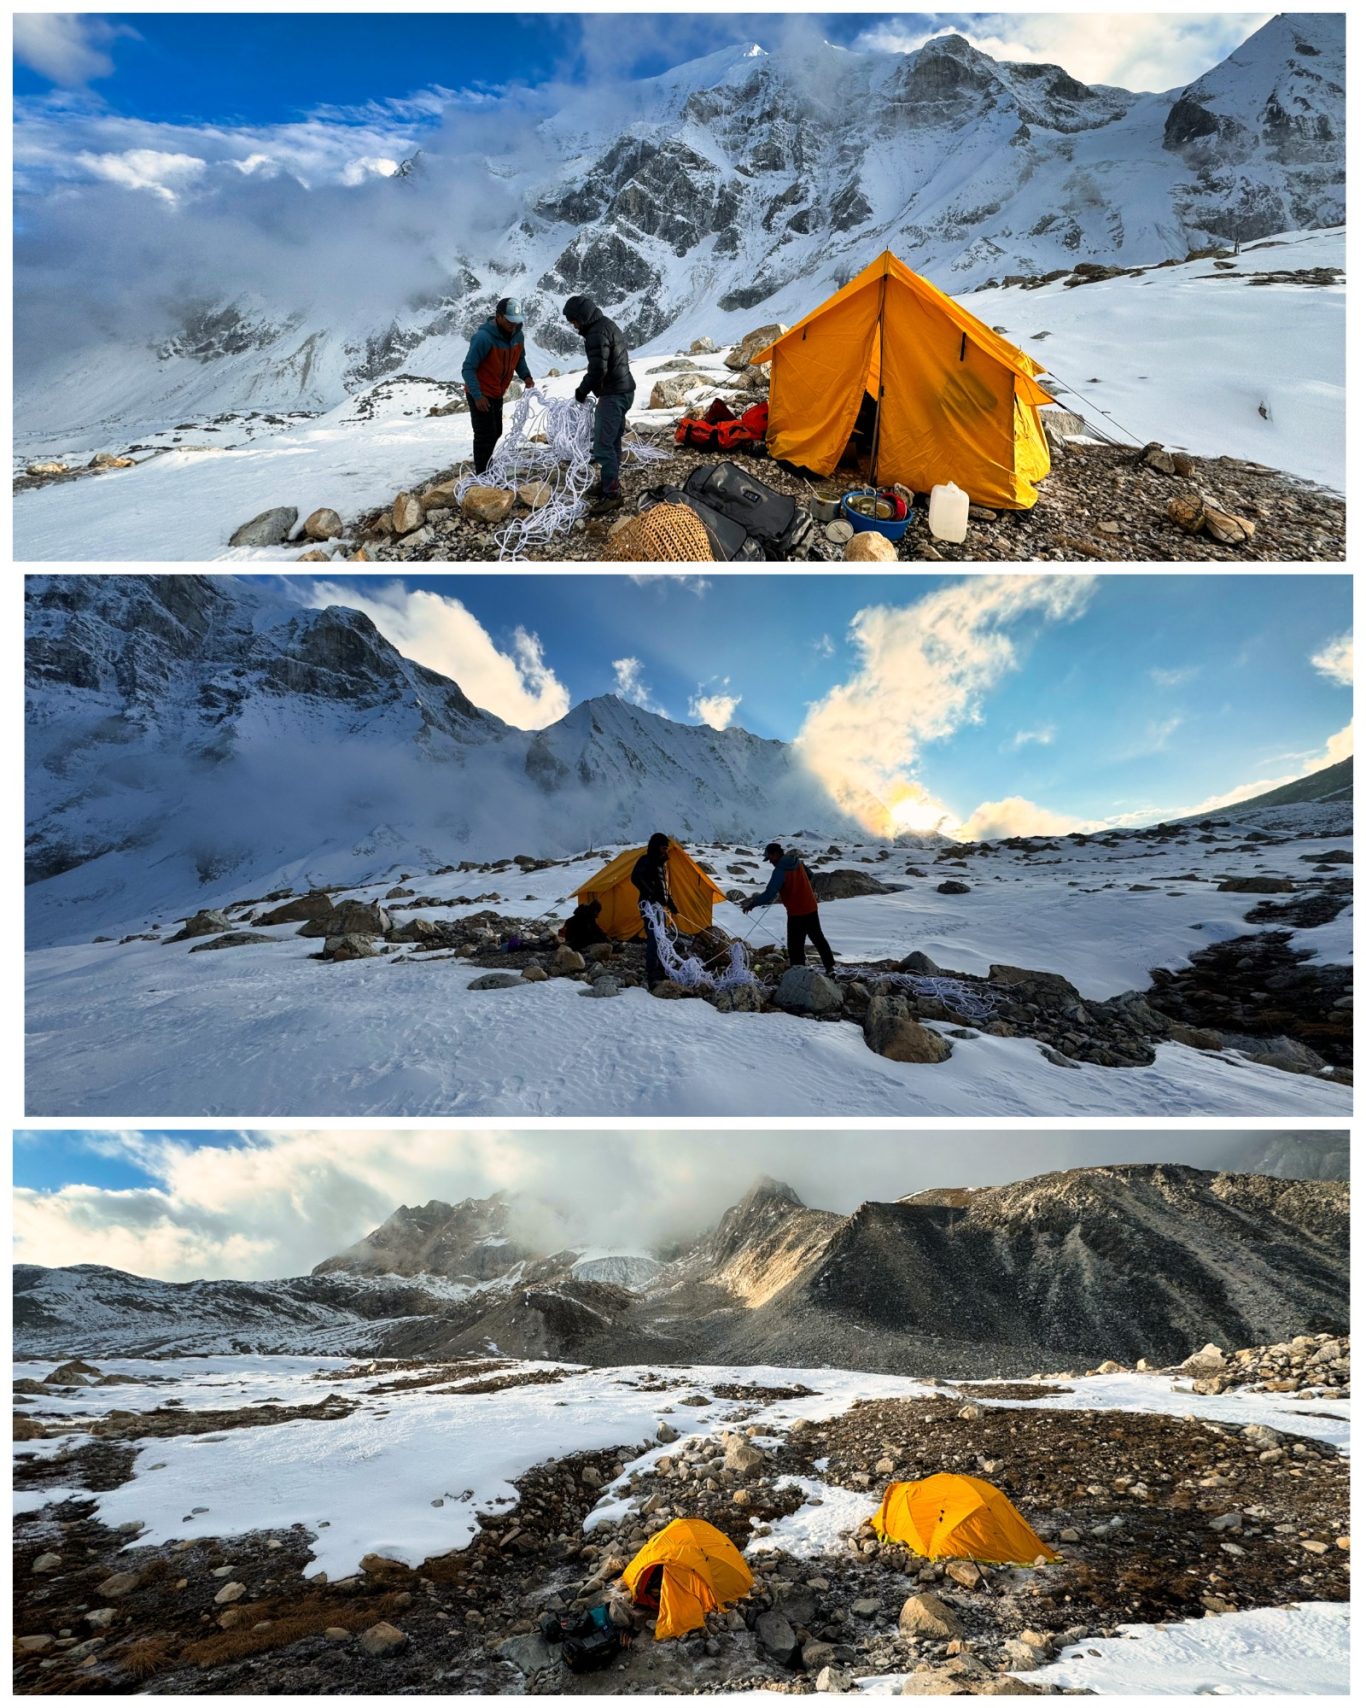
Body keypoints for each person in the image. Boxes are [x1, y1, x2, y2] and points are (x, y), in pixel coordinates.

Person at [563, 294, 635, 506]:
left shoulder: (596, 333)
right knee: (613, 440)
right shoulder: (606, 324)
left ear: (581, 317)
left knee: (603, 445)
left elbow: (597, 371)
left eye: (574, 321)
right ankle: (607, 482)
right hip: (624, 390)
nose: (574, 326)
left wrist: (581, 392)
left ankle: (612, 494)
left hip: (612, 394)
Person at [461, 297, 535, 474]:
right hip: (480, 393)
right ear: (498, 316)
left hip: (497, 392)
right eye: (510, 321)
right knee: (484, 434)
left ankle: (487, 463)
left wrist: (526, 376)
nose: (513, 325)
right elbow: (468, 369)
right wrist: (478, 396)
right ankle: (482, 473)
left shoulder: (518, 336)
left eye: (517, 322)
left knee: (496, 431)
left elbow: (519, 359)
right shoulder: (483, 338)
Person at [742, 843, 836, 976]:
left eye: (770, 858)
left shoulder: (780, 870)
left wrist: (752, 904)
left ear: (775, 854)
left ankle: (798, 972)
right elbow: (810, 875)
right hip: (810, 907)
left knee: (795, 944)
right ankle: (830, 967)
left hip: (796, 912)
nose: (770, 862)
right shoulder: (797, 861)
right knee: (818, 938)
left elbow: (769, 894)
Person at [631, 832, 675, 989]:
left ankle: (662, 968)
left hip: (658, 907)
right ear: (656, 847)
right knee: (654, 938)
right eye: (664, 848)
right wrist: (650, 893)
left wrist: (670, 903)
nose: (666, 851)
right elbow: (635, 878)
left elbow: (662, 888)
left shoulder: (660, 865)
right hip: (648, 906)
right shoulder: (646, 860)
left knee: (662, 937)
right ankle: (652, 974)